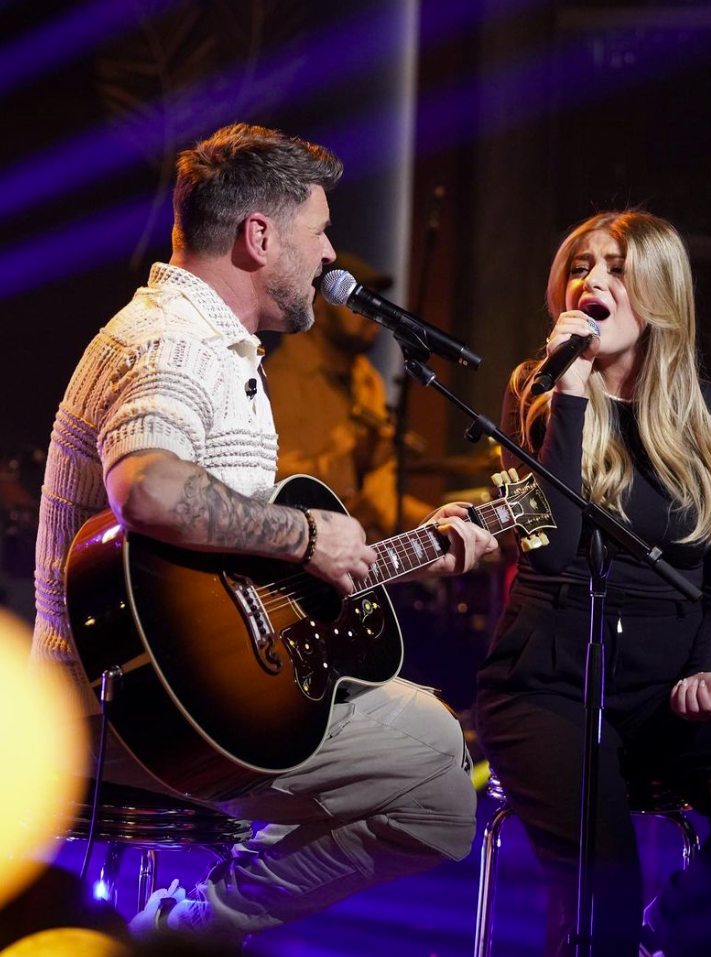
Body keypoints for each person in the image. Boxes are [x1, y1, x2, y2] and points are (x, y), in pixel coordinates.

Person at [31, 123, 498, 941]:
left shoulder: (211, 340)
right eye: (319, 232)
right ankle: (193, 928)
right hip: (123, 715)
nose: (330, 256)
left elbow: (236, 579)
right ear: (259, 236)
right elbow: (144, 483)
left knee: (426, 748)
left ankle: (193, 923)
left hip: (172, 697)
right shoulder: (177, 343)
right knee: (435, 771)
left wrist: (400, 552)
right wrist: (306, 537)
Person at [475, 210, 711, 957]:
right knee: (601, 888)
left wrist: (710, 668)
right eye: (580, 264)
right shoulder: (536, 393)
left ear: (660, 290)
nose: (590, 280)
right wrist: (570, 391)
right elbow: (551, 552)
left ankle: (666, 940)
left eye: (614, 266)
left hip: (663, 686)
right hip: (549, 682)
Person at [264, 251, 434, 540]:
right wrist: (348, 459)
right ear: (319, 302)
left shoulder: (368, 381)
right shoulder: (280, 379)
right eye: (356, 303)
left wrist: (444, 521)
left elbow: (381, 501)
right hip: (304, 552)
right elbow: (273, 484)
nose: (372, 317)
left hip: (362, 553)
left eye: (371, 302)